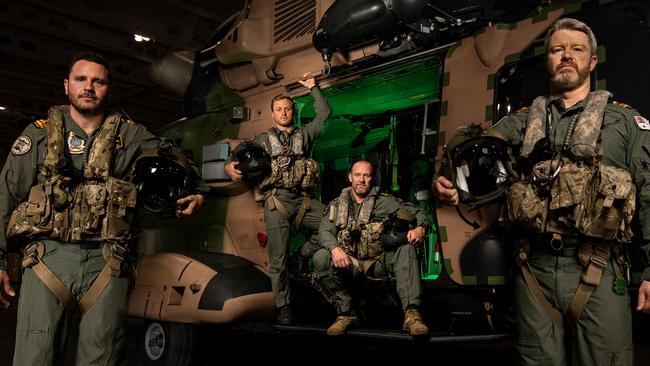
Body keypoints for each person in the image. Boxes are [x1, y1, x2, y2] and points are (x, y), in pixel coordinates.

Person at [433, 18, 650, 365]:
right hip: (533, 271)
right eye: (557, 50)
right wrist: (446, 180)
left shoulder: (625, 122)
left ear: (592, 62)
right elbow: (469, 152)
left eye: (576, 49)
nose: (566, 56)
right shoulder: (521, 123)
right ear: (547, 60)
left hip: (599, 267)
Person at [0, 51, 205, 365]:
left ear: (109, 88)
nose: (89, 87)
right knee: (34, 358)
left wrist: (195, 191)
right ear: (67, 85)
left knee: (103, 357)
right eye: (81, 79)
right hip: (48, 260)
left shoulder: (133, 136)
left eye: (98, 81)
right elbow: (5, 195)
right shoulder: (39, 134)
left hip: (108, 264)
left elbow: (176, 162)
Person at [224, 76, 331, 325]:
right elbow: (235, 152)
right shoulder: (263, 139)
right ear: (273, 114)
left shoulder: (305, 135)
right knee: (278, 259)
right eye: (279, 109)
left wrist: (313, 86)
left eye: (288, 108)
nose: (284, 113)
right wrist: (229, 166)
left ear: (293, 111)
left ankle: (302, 253)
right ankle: (283, 307)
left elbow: (324, 115)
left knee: (334, 220)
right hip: (276, 203)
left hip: (303, 201)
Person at [311, 160, 430, 336]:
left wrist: (420, 228)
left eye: (366, 175)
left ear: (372, 178)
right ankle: (346, 314)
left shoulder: (385, 202)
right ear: (350, 177)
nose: (362, 180)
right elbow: (324, 231)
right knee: (321, 256)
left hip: (378, 262)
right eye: (357, 175)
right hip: (349, 264)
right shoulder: (337, 205)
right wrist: (335, 249)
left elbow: (418, 212)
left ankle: (412, 315)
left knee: (407, 249)